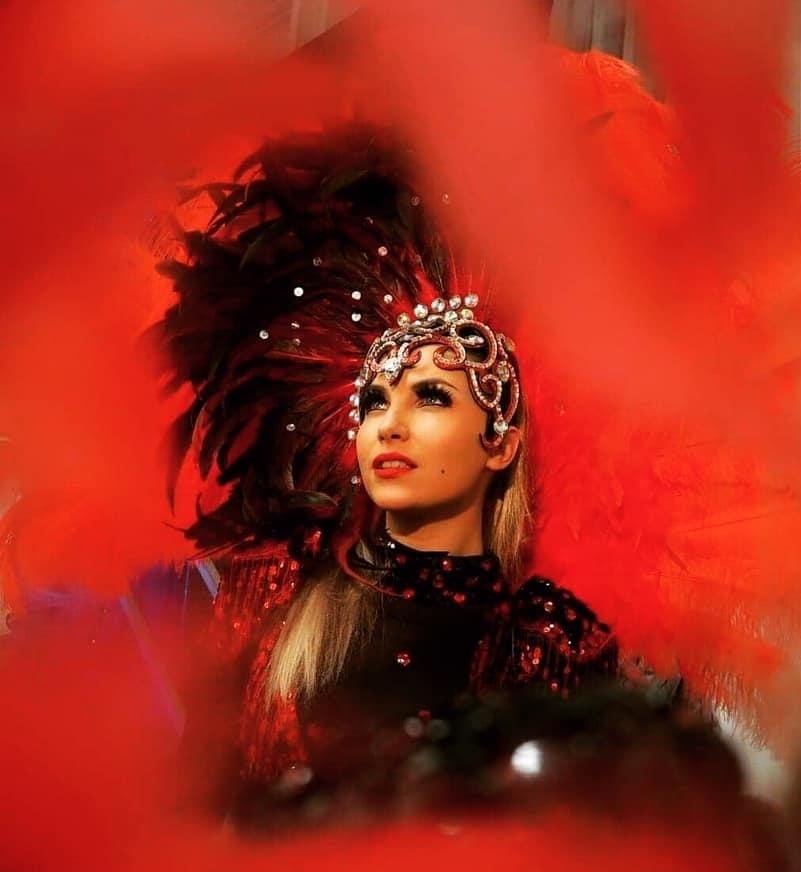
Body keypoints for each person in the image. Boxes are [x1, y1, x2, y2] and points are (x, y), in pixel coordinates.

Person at [155, 123, 618, 805]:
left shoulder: (553, 643)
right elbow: (195, 811)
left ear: (500, 443)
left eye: (431, 396)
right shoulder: (277, 595)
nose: (389, 424)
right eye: (374, 401)